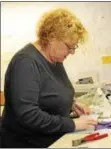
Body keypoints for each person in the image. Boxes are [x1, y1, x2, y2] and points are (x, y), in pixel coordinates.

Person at [0, 8, 98, 148]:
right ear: (52, 38)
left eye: (74, 47)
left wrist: (71, 104)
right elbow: (29, 115)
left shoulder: (55, 60)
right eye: (69, 47)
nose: (72, 52)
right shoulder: (26, 63)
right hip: (27, 143)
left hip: (52, 139)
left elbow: (51, 93)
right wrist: (71, 124)